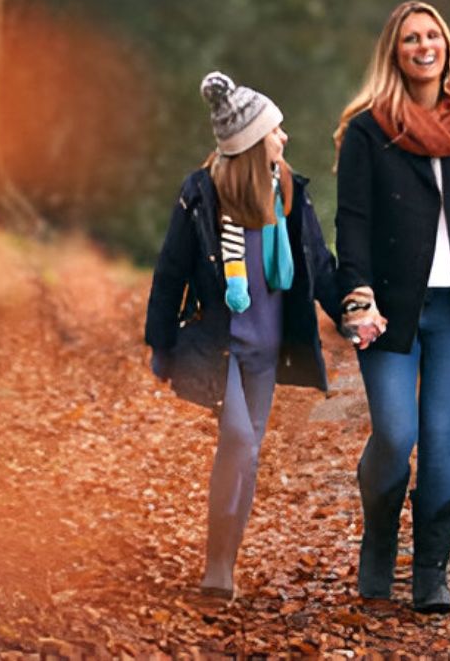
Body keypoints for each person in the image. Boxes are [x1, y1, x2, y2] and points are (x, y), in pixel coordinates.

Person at [333, 0, 450, 613]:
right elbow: (353, 220)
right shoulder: (368, 128)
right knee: (396, 432)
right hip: (390, 308)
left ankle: (432, 575)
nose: (424, 46)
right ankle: (379, 545)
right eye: (411, 38)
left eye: (432, 36)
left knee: (439, 435)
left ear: (447, 44)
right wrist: (357, 297)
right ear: (395, 50)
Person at [143, 71, 343, 600]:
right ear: (254, 142)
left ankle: (223, 563)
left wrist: (352, 314)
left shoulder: (288, 193)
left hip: (268, 350)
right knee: (239, 441)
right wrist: (160, 345)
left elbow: (318, 265)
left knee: (246, 453)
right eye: (277, 130)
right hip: (222, 346)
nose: (285, 138)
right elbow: (172, 270)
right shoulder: (203, 194)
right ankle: (216, 562)